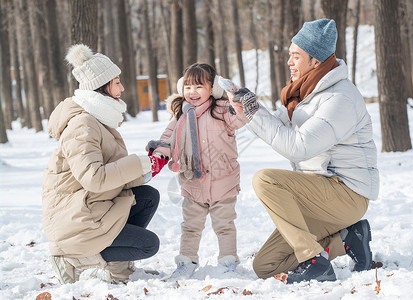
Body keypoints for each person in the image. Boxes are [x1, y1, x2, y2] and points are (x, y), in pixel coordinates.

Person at [222, 19, 379, 284]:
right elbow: (278, 127)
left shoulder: (340, 98)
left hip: (346, 193)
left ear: (316, 61)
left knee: (265, 180)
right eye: (290, 55)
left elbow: (298, 147)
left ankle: (313, 260)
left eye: (296, 56)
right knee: (266, 265)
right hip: (317, 194)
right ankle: (347, 239)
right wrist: (247, 111)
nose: (289, 62)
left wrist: (253, 112)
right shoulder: (305, 95)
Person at [42, 44, 165, 284]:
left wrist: (149, 166)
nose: (122, 87)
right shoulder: (82, 124)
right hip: (74, 218)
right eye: (117, 82)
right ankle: (71, 260)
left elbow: (113, 173)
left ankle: (119, 267)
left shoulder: (99, 119)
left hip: (91, 205)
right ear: (102, 86)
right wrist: (137, 163)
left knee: (147, 195)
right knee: (149, 245)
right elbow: (94, 178)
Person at [146, 63, 247, 279]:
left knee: (225, 225)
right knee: (191, 226)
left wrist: (238, 100)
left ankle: (228, 262)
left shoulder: (221, 110)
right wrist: (159, 155)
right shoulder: (180, 115)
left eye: (199, 87)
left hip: (223, 180)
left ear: (212, 89)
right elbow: (167, 139)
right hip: (193, 182)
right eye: (188, 87)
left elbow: (240, 119)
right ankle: (187, 261)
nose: (193, 92)